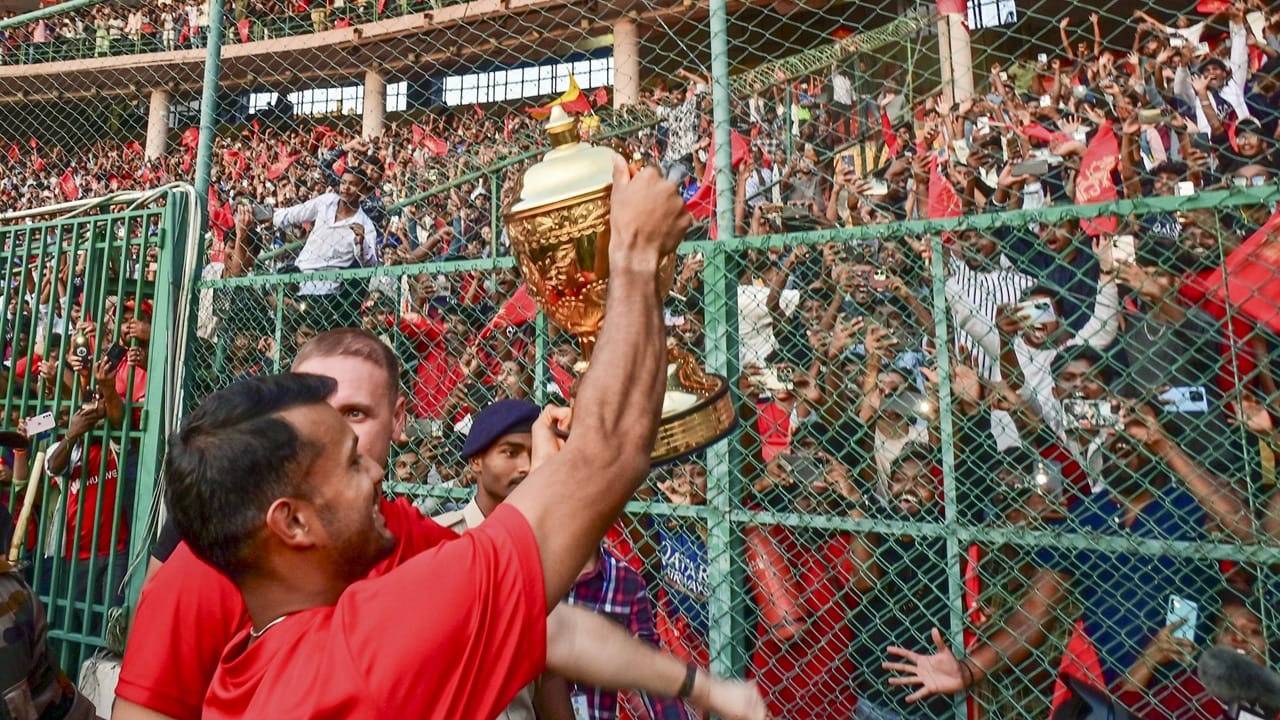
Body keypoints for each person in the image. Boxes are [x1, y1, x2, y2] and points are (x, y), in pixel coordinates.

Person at [121, 164, 768, 719]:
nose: (375, 472)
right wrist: (633, 256)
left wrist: (702, 687)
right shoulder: (364, 649)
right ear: (290, 522)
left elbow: (537, 619)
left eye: (359, 418)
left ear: (399, 417)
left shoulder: (248, 670)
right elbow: (610, 454)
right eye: (347, 462)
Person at [436, 399, 693, 720]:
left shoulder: (576, 565)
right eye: (510, 453)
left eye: (533, 453)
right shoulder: (440, 542)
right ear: (476, 460)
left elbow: (549, 675)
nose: (525, 467)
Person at [270, 166, 377, 327]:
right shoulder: (327, 201)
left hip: (323, 288)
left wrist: (361, 242)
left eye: (352, 185)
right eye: (343, 182)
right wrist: (270, 215)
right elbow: (295, 213)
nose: (345, 188)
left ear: (362, 190)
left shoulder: (365, 225)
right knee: (266, 290)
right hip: (297, 275)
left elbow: (371, 263)